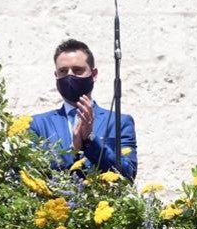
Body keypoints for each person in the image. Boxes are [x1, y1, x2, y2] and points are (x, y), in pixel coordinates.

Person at [29, 38, 137, 177]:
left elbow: (128, 174)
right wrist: (74, 150)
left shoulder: (119, 122)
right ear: (56, 75)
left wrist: (91, 140)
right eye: (63, 71)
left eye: (77, 70)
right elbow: (31, 174)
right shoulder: (37, 125)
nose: (70, 76)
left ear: (94, 74)